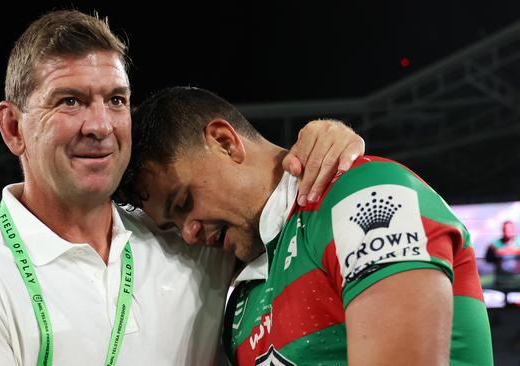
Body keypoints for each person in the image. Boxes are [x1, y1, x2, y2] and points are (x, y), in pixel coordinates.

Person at [0, 10, 366, 366]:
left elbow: (265, 191)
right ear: (14, 127)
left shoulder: (190, 239)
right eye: (70, 101)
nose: (100, 125)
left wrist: (323, 140)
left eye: (115, 100)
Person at [114, 86, 494, 366]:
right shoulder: (241, 303)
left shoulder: (361, 196)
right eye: (173, 224)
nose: (189, 233)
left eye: (183, 203)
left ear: (225, 142)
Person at [485, 220, 520, 291]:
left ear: (514, 230)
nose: (507, 231)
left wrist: (506, 251)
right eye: (505, 229)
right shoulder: (495, 244)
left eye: (509, 229)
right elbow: (489, 257)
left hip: (517, 281)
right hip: (501, 281)